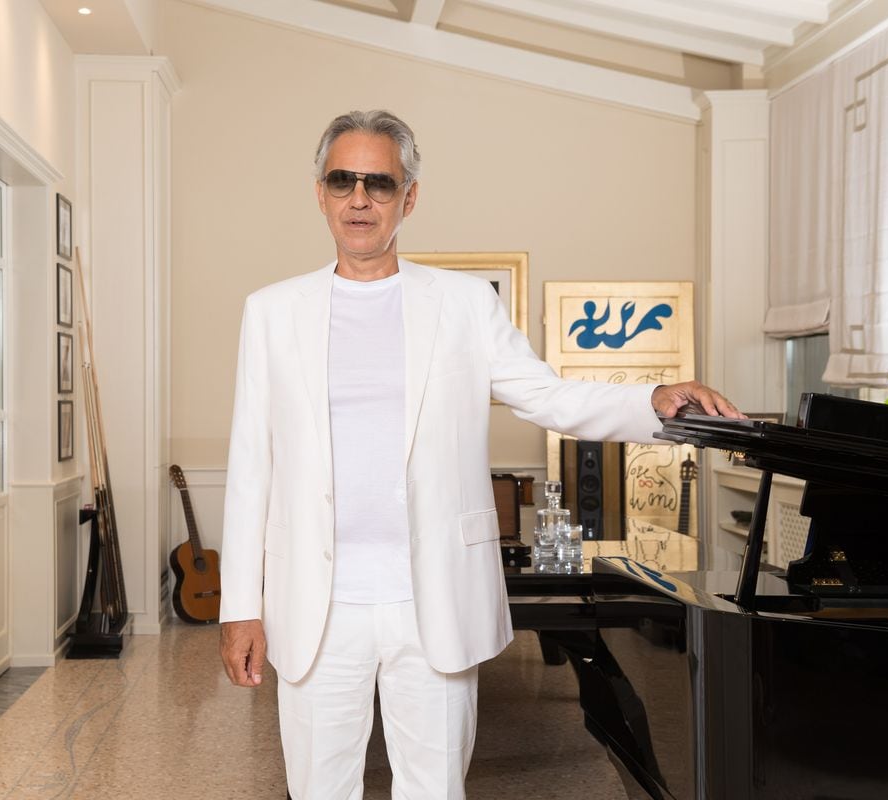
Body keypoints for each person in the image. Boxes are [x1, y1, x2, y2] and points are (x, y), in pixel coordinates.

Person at [217, 110, 743, 799]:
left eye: (379, 182)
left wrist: (653, 398)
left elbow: (547, 396)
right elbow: (251, 466)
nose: (359, 198)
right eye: (342, 180)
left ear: (409, 198)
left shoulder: (464, 305)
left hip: (432, 598)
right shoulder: (272, 311)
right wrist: (239, 607)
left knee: (434, 789)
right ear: (320, 192)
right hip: (314, 605)